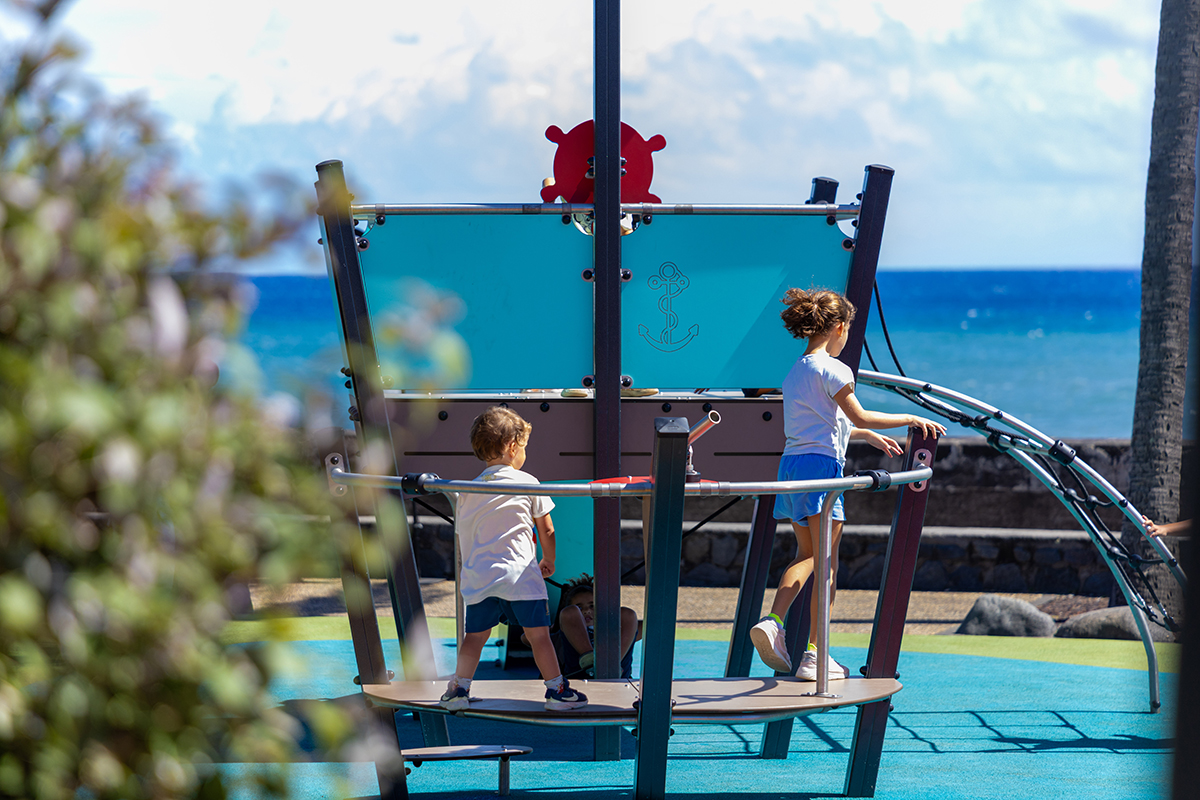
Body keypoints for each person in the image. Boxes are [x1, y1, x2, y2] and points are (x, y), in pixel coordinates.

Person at [750, 288, 947, 680]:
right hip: (823, 469)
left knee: (811, 558)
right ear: (839, 327)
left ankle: (795, 639)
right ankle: (796, 639)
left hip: (792, 466)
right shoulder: (835, 369)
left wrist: (863, 436)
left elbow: (825, 424)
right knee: (823, 563)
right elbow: (859, 413)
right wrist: (909, 418)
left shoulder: (796, 371)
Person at [440, 406, 588, 712]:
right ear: (512, 447)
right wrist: (549, 558)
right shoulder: (527, 482)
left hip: (480, 575)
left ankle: (459, 690)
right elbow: (546, 528)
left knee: (474, 638)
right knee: (538, 637)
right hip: (519, 574)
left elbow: (463, 536)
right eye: (524, 448)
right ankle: (556, 690)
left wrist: (472, 569)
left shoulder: (468, 490)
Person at [549, 574, 641, 679]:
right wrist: (551, 629)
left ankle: (611, 664)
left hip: (617, 673)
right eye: (579, 608)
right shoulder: (562, 634)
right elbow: (528, 639)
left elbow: (649, 630)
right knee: (569, 612)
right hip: (580, 676)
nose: (587, 611)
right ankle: (589, 660)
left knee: (628, 614)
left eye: (592, 606)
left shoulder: (617, 630)